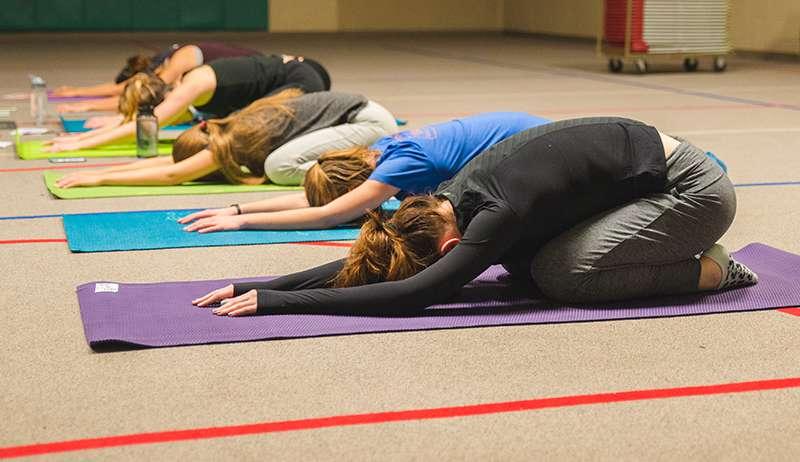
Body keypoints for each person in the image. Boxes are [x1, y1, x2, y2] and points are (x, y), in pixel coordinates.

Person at [192, 117, 758, 317]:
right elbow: (376, 268)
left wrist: (281, 301)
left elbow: (411, 295)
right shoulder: (444, 198)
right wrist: (259, 285)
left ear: (443, 248)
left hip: (694, 190)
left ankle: (712, 271)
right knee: (526, 269)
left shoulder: (490, 212)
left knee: (560, 276)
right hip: (642, 178)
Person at [178, 112, 550, 233]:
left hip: (540, 145)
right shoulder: (381, 152)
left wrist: (242, 225)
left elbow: (328, 213)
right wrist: (238, 209)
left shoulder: (400, 166)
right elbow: (316, 201)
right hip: (525, 129)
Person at [55, 91, 395, 188]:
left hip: (370, 124)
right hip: (362, 117)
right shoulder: (226, 127)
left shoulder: (234, 140)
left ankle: (362, 170)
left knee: (279, 167)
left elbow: (174, 175)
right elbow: (174, 165)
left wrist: (99, 178)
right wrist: (117, 168)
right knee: (278, 164)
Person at [46, 54, 331, 152]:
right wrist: (101, 128)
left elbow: (148, 125)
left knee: (250, 137)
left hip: (306, 79)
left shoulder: (193, 84)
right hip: (299, 70)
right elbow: (145, 119)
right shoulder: (189, 84)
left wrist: (81, 143)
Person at [54, 42, 263, 114]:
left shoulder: (179, 59)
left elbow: (144, 96)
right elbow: (123, 88)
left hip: (259, 83)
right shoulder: (164, 61)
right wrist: (78, 92)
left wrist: (87, 106)